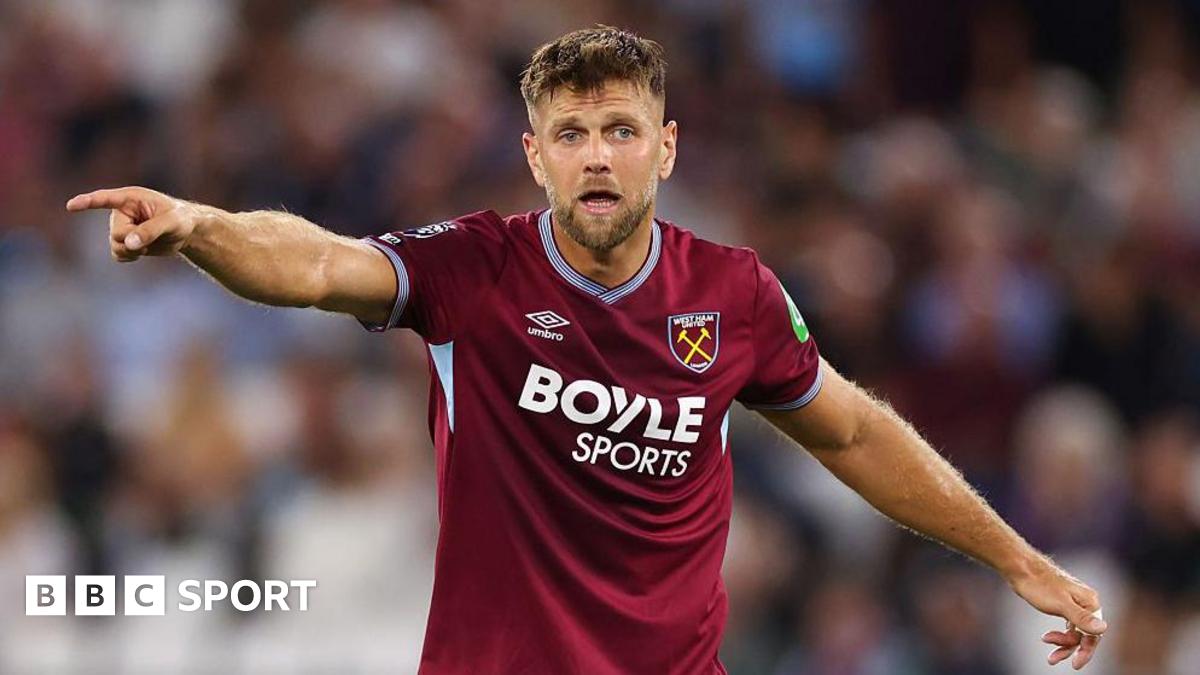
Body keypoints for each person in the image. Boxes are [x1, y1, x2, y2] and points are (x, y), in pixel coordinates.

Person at [66, 26, 1107, 675]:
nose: (596, 154)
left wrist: (1013, 555)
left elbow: (854, 433)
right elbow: (321, 264)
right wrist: (200, 226)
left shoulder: (733, 294)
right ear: (535, 155)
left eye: (619, 128)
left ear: (666, 147)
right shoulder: (475, 269)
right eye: (571, 134)